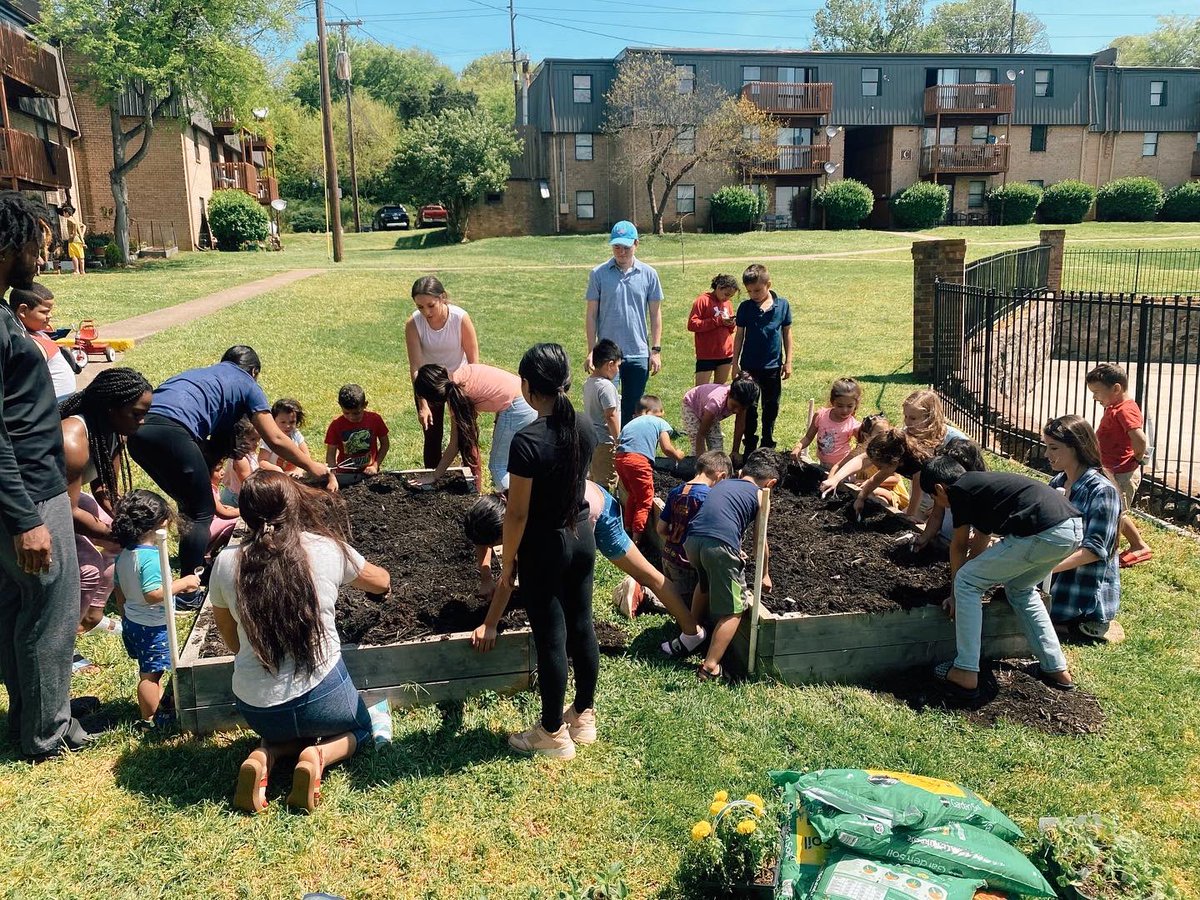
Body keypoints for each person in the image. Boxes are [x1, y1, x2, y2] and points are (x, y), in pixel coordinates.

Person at [209, 471, 391, 813]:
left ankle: (267, 753)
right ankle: (317, 755)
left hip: (257, 708)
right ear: (293, 507)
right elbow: (380, 581)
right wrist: (387, 586)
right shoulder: (325, 549)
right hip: (324, 696)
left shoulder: (225, 563)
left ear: (245, 513)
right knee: (363, 728)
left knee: (281, 728)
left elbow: (229, 635)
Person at [127, 346, 337, 607]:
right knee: (199, 513)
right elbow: (275, 438)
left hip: (137, 433)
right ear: (254, 372)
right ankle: (188, 594)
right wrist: (314, 466)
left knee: (191, 504)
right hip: (172, 432)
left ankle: (193, 565)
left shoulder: (207, 377)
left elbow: (215, 445)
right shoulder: (247, 383)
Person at [0, 190, 94, 760]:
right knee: (51, 610)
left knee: (16, 606)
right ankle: (47, 734)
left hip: (28, 492)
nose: (41, 259)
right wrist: (24, 518)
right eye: (35, 246)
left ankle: (33, 717)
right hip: (29, 496)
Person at [470, 343, 597, 760]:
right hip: (582, 537)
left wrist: (509, 563)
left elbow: (518, 514)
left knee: (552, 638)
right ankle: (583, 715)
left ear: (526, 386)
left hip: (547, 546)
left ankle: (551, 733)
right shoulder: (583, 425)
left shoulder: (527, 441)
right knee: (583, 625)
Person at [464, 484, 707, 655]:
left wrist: (490, 625)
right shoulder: (506, 501)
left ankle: (692, 631)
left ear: (505, 528)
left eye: (498, 542)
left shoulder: (529, 524)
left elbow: (508, 578)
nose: (496, 547)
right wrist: (485, 576)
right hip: (582, 497)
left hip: (599, 514)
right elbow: (483, 541)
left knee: (646, 575)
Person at [920, 457, 1080, 699]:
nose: (939, 503)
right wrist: (971, 579)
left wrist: (955, 593)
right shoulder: (981, 486)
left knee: (966, 582)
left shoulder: (959, 491)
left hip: (1042, 533)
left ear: (941, 489)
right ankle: (1055, 668)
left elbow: (959, 544)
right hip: (1071, 530)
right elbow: (980, 543)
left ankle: (964, 670)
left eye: (935, 498)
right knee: (1020, 589)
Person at [59, 367, 154, 635]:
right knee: (89, 568)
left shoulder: (113, 431)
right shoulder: (72, 440)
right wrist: (114, 534)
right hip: (36, 510)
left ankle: (92, 614)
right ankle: (64, 639)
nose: (142, 421)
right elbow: (68, 512)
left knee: (120, 543)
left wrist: (127, 522)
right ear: (111, 408)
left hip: (68, 503)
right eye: (137, 414)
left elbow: (104, 488)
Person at [685, 449, 778, 682]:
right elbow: (760, 541)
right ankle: (710, 667)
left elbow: (720, 516)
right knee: (735, 609)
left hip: (693, 540)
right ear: (772, 483)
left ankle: (692, 633)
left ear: (740, 472)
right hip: (718, 547)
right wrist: (765, 574)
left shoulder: (723, 484)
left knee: (704, 584)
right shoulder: (760, 495)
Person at [111, 490, 199, 730]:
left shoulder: (125, 554)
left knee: (150, 670)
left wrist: (125, 615)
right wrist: (185, 583)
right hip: (152, 625)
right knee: (151, 674)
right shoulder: (150, 558)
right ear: (161, 523)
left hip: (134, 622)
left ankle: (157, 705)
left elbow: (118, 589)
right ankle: (149, 720)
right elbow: (153, 594)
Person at [1044, 415, 1122, 640]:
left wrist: (1046, 567)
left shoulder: (1102, 491)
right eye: (1046, 447)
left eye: (1054, 448)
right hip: (1054, 578)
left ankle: (1088, 627)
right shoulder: (1057, 483)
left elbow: (1094, 551)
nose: (1047, 455)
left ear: (1076, 448)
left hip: (1080, 592)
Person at [585, 221, 664, 427]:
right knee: (606, 408)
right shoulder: (598, 274)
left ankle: (628, 453)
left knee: (633, 409)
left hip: (638, 352)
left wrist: (655, 351)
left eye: (626, 247)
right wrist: (591, 350)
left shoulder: (649, 274)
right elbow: (591, 314)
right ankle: (607, 453)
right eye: (616, 247)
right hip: (607, 356)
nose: (621, 252)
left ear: (636, 244)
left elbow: (655, 314)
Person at [411, 362, 537, 491]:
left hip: (518, 407)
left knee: (498, 466)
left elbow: (454, 445)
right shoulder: (461, 375)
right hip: (530, 397)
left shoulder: (460, 395)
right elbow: (499, 387)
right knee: (519, 463)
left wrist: (434, 475)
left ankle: (516, 506)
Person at [404, 275, 480, 471]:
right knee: (431, 435)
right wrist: (422, 404)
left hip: (460, 381)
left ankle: (473, 479)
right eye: (420, 307)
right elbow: (416, 368)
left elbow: (474, 363)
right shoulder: (413, 324)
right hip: (430, 385)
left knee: (466, 434)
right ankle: (432, 480)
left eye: (430, 305)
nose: (426, 312)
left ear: (443, 297)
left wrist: (471, 396)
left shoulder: (460, 318)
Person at [1085, 363, 1152, 568]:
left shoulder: (1125, 410)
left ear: (1116, 388)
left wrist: (1138, 458)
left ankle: (1139, 546)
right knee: (1112, 510)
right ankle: (1111, 543)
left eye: (1097, 392)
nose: (1095, 397)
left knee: (1117, 512)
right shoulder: (1114, 407)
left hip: (1122, 472)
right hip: (1111, 470)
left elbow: (1139, 439)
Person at [656, 450, 732, 609]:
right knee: (686, 608)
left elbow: (660, 528)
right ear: (721, 476)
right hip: (687, 564)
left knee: (672, 595)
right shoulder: (709, 498)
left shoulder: (676, 491)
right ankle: (645, 595)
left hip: (668, 555)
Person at [731, 264, 792, 452]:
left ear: (768, 284)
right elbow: (739, 335)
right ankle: (749, 443)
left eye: (757, 290)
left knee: (771, 406)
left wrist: (788, 361)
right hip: (749, 367)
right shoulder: (745, 308)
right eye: (749, 291)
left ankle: (767, 443)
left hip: (772, 366)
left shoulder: (782, 305)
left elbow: (787, 334)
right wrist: (735, 363)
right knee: (750, 408)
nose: (753, 295)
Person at [614, 395, 685, 543]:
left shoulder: (631, 423)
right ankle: (636, 539)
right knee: (645, 500)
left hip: (620, 459)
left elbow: (620, 441)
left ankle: (627, 527)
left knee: (633, 494)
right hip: (638, 461)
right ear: (658, 412)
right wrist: (677, 455)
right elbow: (666, 448)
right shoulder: (660, 422)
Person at [8, 284, 75, 400]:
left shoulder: (38, 333)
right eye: (44, 312)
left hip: (63, 399)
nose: (50, 316)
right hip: (53, 404)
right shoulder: (29, 343)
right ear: (23, 310)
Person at [828, 414, 909, 510]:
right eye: (879, 433)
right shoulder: (859, 451)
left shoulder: (889, 453)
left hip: (888, 490)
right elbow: (838, 465)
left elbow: (895, 479)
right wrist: (831, 481)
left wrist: (866, 482)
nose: (884, 436)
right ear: (866, 436)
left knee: (876, 498)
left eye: (887, 432)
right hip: (863, 488)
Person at [792, 378, 862, 470]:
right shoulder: (820, 415)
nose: (845, 410)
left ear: (856, 404)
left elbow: (862, 446)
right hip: (822, 464)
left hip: (841, 468)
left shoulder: (853, 425)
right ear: (832, 402)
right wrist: (798, 447)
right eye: (840, 406)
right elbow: (808, 437)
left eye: (849, 406)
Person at [681, 376, 759, 455]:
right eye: (734, 406)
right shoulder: (715, 404)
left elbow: (740, 426)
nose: (736, 411)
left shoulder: (743, 401)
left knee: (717, 447)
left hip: (712, 414)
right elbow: (701, 435)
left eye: (741, 409)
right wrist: (701, 461)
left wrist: (735, 451)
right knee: (696, 443)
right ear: (729, 394)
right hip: (692, 405)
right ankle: (694, 463)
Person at [583, 338, 622, 491]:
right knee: (606, 482)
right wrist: (618, 440)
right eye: (618, 366)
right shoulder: (606, 387)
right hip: (605, 442)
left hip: (592, 439)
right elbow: (610, 416)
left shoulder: (589, 382)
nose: (618, 370)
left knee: (595, 476)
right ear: (610, 364)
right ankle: (604, 512)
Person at [324, 384, 390, 477]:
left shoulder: (375, 419)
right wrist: (332, 476)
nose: (351, 417)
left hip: (369, 472)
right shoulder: (336, 425)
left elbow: (385, 444)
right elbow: (330, 455)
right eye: (346, 413)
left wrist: (375, 465)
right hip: (344, 473)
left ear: (365, 405)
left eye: (356, 413)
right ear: (340, 405)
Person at [688, 274, 738, 386]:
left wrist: (731, 324)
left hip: (726, 353)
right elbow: (692, 324)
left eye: (730, 296)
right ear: (719, 287)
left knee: (719, 390)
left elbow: (731, 330)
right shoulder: (702, 300)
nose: (727, 298)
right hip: (707, 354)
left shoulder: (728, 303)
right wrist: (717, 321)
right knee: (700, 391)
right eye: (726, 294)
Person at [258, 398, 311, 472]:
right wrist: (278, 470)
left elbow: (306, 456)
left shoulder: (295, 434)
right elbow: (262, 461)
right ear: (273, 420)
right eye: (283, 422)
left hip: (293, 476)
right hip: (274, 477)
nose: (288, 426)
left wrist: (299, 470)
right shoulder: (269, 437)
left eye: (292, 422)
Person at [64, 208, 86, 276]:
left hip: (73, 241)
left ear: (67, 213)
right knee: (81, 256)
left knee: (74, 256)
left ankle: (76, 270)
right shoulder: (75, 219)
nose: (63, 214)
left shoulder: (69, 219)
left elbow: (74, 224)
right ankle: (82, 271)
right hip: (79, 240)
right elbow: (84, 226)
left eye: (64, 213)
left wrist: (73, 234)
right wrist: (82, 234)